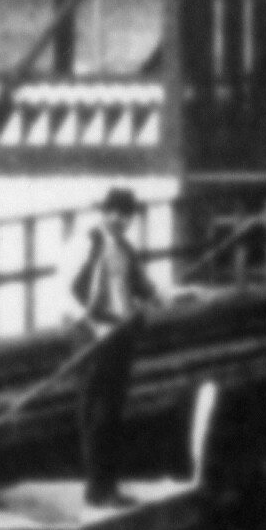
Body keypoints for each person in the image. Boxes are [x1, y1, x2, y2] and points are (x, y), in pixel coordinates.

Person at [68, 182, 159, 495]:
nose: (120, 219)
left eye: (126, 214)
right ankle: (96, 488)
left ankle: (109, 486)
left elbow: (143, 287)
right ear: (104, 213)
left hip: (120, 335)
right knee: (95, 413)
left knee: (113, 413)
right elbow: (67, 292)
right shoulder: (87, 243)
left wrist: (159, 296)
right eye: (114, 212)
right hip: (93, 338)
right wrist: (91, 324)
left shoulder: (126, 249)